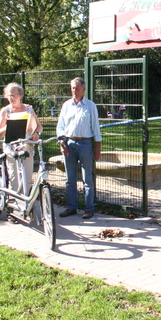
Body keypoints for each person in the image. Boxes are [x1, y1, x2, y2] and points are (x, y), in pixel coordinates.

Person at [56, 77, 102, 219]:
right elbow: (60, 127)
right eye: (72, 88)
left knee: (87, 178)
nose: (74, 91)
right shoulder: (66, 106)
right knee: (70, 179)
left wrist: (97, 147)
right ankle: (71, 207)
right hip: (69, 143)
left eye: (77, 88)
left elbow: (95, 127)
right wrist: (62, 144)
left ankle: (89, 208)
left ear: (83, 89)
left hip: (85, 144)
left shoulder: (90, 106)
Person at [0, 82, 43, 197]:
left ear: (20, 95)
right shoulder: (5, 111)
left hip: (27, 148)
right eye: (10, 95)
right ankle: (13, 208)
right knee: (14, 181)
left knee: (27, 181)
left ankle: (25, 209)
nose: (13, 98)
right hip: (12, 150)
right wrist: (8, 126)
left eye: (15, 95)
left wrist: (37, 134)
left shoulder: (29, 109)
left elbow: (39, 126)